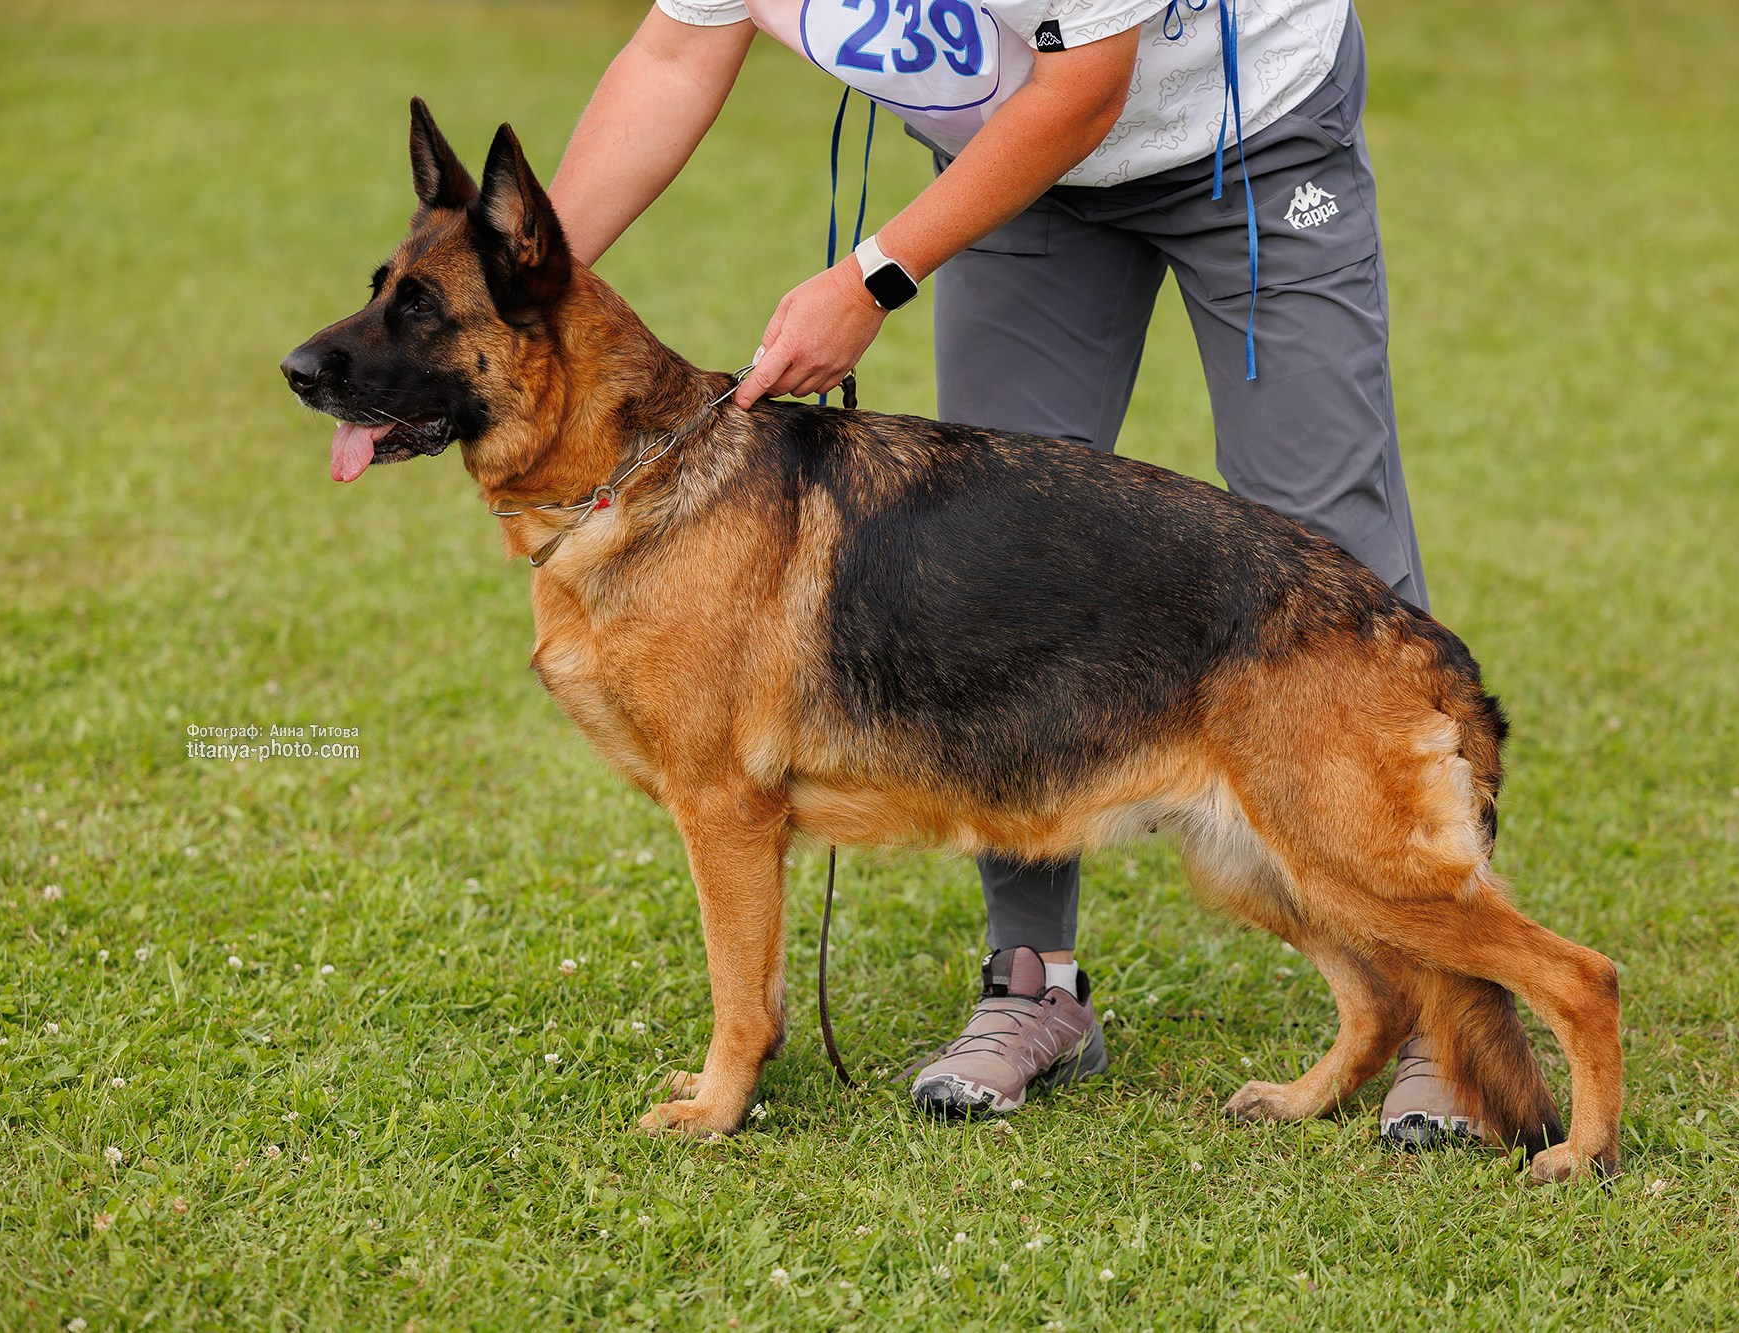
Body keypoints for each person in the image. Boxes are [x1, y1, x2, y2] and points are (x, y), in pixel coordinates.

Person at [549, 0, 1481, 1146]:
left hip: (1245, 126)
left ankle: (1451, 1008)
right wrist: (513, 278)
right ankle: (1031, 981)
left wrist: (872, 276)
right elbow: (673, 52)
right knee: (986, 572)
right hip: (1016, 166)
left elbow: (1083, 87)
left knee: (1331, 551)